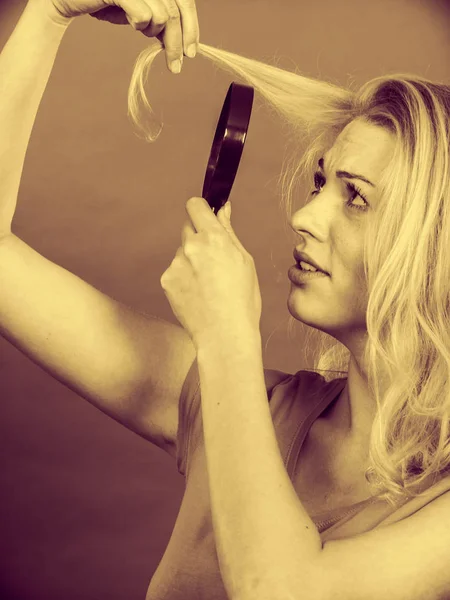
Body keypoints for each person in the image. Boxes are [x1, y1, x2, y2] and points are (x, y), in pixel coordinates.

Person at [1, 1, 449, 599]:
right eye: (320, 182)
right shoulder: (249, 407)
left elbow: (278, 590)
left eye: (356, 198)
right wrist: (47, 14)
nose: (304, 215)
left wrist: (227, 337)